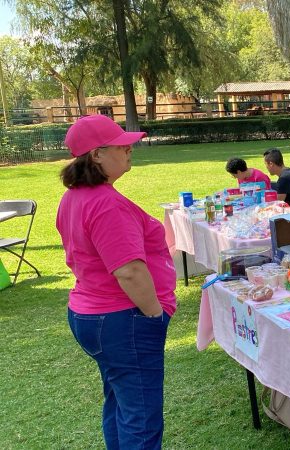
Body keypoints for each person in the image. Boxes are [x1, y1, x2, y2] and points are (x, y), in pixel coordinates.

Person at [57, 115, 176, 448]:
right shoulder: (105, 204)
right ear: (97, 154)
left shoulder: (76, 196)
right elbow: (129, 270)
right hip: (123, 320)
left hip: (94, 316)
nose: (129, 149)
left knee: (121, 402)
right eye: (121, 145)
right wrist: (154, 314)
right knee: (141, 416)